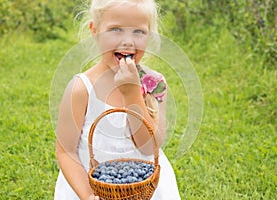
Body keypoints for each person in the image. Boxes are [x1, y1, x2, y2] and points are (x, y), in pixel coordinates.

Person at [54, 0, 181, 199]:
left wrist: (131, 94)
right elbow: (65, 151)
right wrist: (88, 195)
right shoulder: (81, 89)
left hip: (145, 191)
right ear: (94, 31)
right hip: (92, 190)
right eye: (116, 29)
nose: (128, 41)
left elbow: (149, 147)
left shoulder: (155, 83)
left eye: (138, 31)